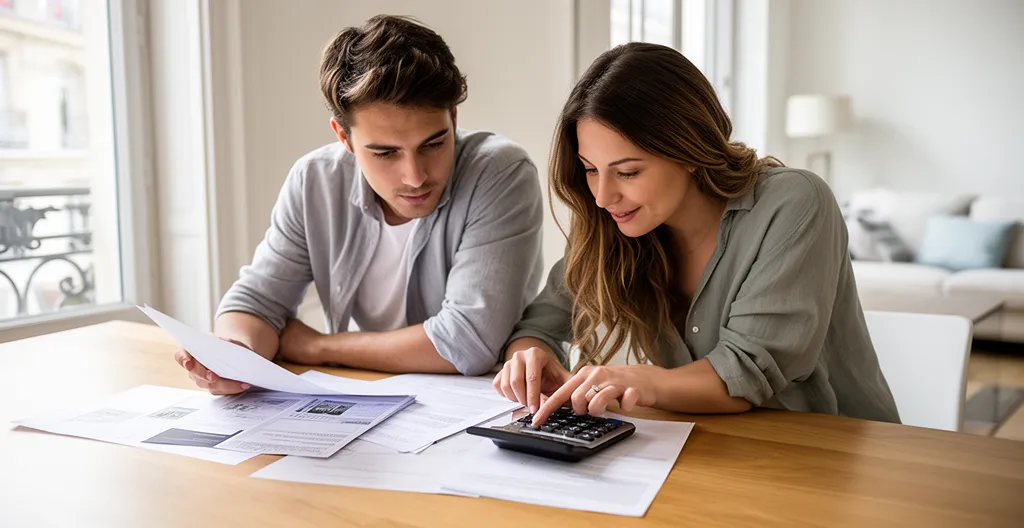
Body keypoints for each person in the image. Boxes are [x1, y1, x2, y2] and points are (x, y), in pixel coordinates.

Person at [494, 42, 901, 426]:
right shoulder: (617, 223)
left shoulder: (794, 203)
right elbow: (540, 324)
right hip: (711, 449)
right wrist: (529, 359)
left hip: (838, 451)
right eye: (590, 169)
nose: (602, 196)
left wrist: (637, 381)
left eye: (628, 172)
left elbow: (746, 373)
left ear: (689, 151)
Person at [176, 15, 544, 394]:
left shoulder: (500, 172)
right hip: (365, 395)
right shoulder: (315, 181)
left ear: (453, 117)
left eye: (434, 144)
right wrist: (236, 356)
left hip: (485, 406)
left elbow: (468, 342)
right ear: (344, 137)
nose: (415, 176)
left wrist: (318, 347)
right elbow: (256, 302)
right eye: (385, 153)